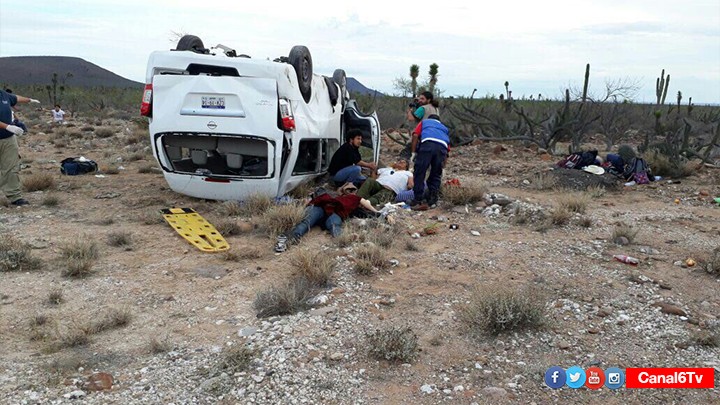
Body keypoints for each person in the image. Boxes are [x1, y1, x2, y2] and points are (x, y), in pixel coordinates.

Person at [274, 184, 378, 252]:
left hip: (330, 211)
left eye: (352, 189)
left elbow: (364, 204)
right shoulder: (334, 194)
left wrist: (377, 213)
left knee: (331, 225)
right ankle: (287, 239)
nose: (350, 191)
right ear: (342, 190)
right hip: (321, 208)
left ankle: (342, 239)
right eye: (348, 189)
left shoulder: (352, 199)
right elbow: (364, 202)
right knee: (310, 222)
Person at [1, 89, 40, 206]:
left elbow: (16, 97)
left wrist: (29, 100)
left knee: (11, 167)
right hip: (7, 130)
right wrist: (7, 126)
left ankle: (14, 196)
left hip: (8, 139)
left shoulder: (3, 94)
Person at [409, 114, 449, 208]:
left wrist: (413, 152)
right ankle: (432, 200)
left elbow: (415, 135)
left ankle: (418, 199)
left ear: (429, 119)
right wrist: (443, 166)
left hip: (427, 144)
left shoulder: (424, 122)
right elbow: (448, 148)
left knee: (420, 171)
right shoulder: (444, 128)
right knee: (435, 174)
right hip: (442, 148)